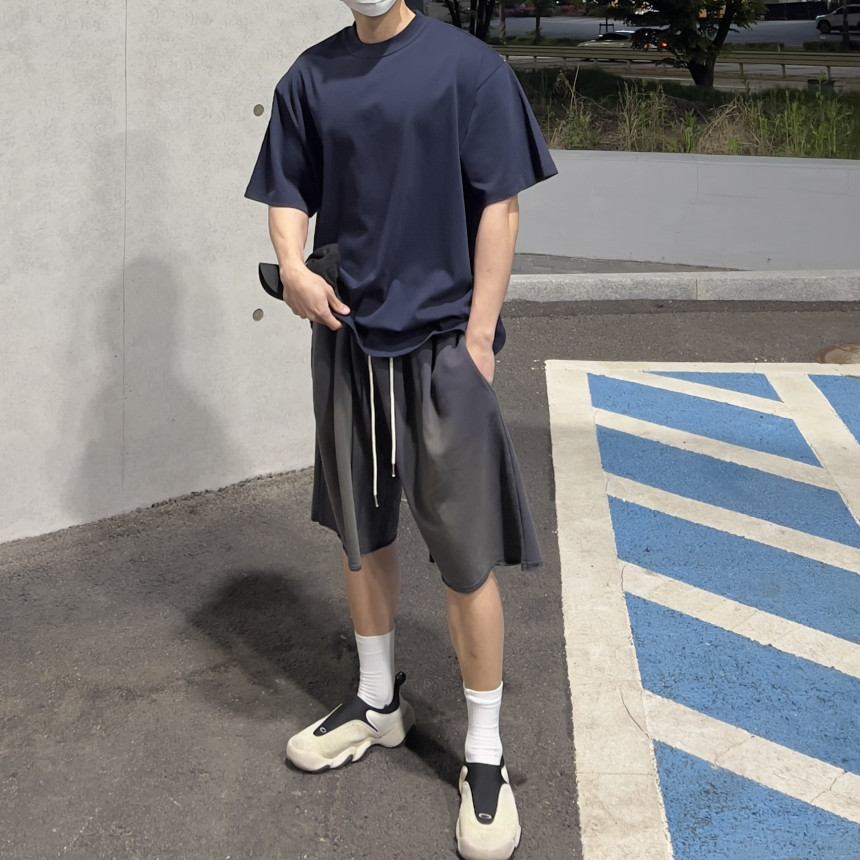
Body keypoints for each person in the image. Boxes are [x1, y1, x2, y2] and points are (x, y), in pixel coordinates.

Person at [245, 2, 556, 858]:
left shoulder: (469, 70)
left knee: (465, 555)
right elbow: (287, 192)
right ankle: (378, 701)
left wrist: (479, 339)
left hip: (442, 347)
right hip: (348, 339)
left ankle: (484, 752)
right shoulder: (311, 76)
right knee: (361, 532)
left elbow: (501, 206)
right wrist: (295, 269)